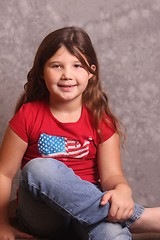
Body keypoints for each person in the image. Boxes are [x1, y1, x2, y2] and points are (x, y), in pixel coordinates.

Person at [0, 26, 160, 240]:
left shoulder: (100, 120)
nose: (67, 75)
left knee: (112, 233)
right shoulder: (28, 115)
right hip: (42, 216)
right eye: (56, 66)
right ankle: (138, 218)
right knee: (39, 168)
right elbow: (4, 174)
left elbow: (112, 176)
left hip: (86, 215)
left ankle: (120, 220)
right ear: (42, 72)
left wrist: (122, 189)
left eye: (77, 66)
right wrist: (1, 225)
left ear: (91, 72)